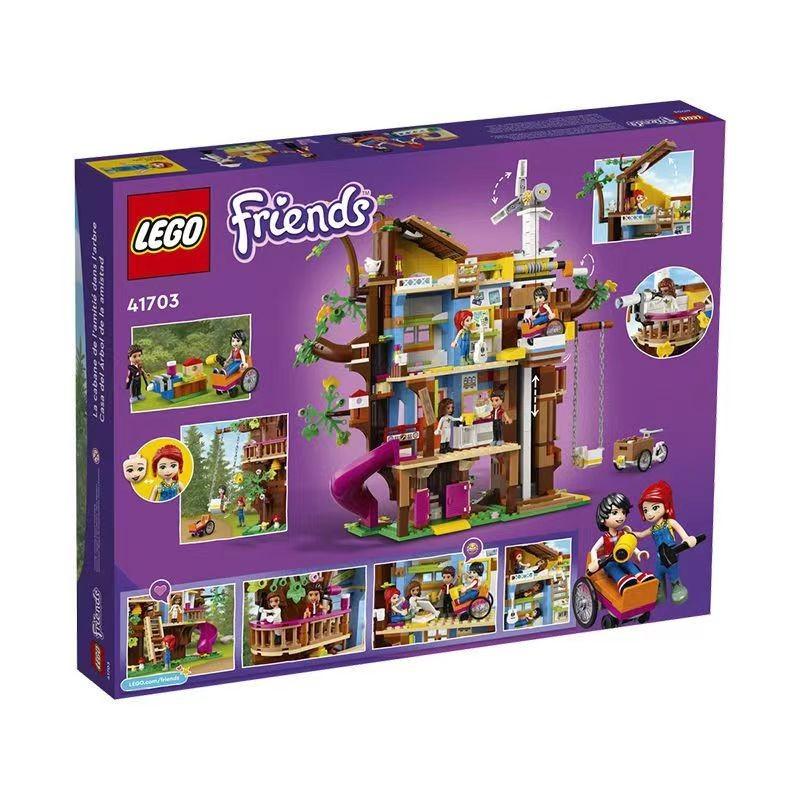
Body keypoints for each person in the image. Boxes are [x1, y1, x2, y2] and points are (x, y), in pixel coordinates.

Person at [636, 481, 696, 604]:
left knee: (673, 571)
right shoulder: (653, 529)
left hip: (672, 554)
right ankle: (660, 590)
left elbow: (683, 534)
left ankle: (677, 587)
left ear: (666, 505)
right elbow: (641, 534)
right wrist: (631, 533)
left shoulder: (670, 523)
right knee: (658, 572)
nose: (650, 514)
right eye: (646, 510)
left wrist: (687, 539)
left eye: (654, 508)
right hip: (659, 556)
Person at [589, 493, 655, 594]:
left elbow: (629, 544)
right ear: (602, 518)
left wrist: (638, 552)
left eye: (623, 512)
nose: (621, 516)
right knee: (613, 568)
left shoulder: (622, 534)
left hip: (622, 558)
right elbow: (594, 550)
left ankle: (639, 575)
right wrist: (595, 561)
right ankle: (622, 579)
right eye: (615, 512)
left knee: (629, 564)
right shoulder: (604, 538)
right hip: (609, 561)